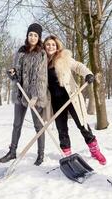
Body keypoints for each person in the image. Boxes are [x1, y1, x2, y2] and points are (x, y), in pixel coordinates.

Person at [43, 35, 106, 165]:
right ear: (44, 46)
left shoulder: (63, 58)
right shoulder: (41, 63)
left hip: (71, 97)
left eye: (53, 44)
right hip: (55, 101)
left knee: (82, 125)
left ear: (57, 46)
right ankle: (68, 156)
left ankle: (95, 151)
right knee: (62, 129)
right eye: (48, 44)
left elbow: (78, 66)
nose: (50, 47)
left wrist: (87, 74)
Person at [0, 23, 48, 166]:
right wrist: (12, 73)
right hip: (20, 94)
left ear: (39, 38)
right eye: (30, 34)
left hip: (34, 96)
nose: (32, 37)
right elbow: (16, 70)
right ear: (27, 35)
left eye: (35, 35)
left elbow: (41, 76)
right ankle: (12, 152)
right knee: (17, 124)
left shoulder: (41, 53)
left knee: (38, 126)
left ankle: (40, 155)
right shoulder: (20, 51)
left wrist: (35, 96)